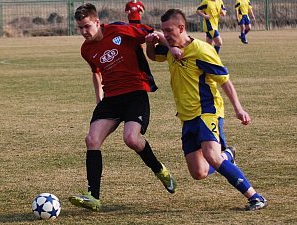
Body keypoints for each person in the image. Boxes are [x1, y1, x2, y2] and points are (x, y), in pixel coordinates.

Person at [145, 8, 267, 211]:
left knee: (211, 156)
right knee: (199, 172)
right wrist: (150, 43)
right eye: (163, 30)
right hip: (186, 116)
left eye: (169, 30)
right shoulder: (169, 48)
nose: (165, 33)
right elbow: (152, 56)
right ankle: (227, 155)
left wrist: (238, 109)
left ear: (181, 27)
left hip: (207, 110)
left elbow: (225, 81)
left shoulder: (202, 51)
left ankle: (255, 197)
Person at [69, 3, 176, 211]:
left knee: (131, 139)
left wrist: (172, 47)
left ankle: (160, 169)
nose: (84, 32)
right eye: (80, 28)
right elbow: (96, 71)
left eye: (87, 26)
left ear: (97, 22)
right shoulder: (86, 49)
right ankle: (93, 196)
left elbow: (151, 33)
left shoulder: (119, 30)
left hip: (135, 93)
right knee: (91, 139)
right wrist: (99, 97)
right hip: (111, 98)